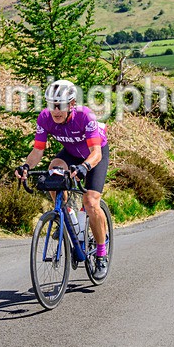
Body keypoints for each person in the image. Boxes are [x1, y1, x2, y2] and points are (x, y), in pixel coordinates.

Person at [14, 79, 110, 279]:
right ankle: (66, 215)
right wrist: (26, 166)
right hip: (70, 153)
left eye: (61, 106)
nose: (55, 110)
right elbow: (38, 150)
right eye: (52, 105)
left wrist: (85, 167)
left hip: (93, 156)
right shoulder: (45, 118)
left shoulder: (85, 116)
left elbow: (96, 153)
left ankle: (101, 254)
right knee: (53, 173)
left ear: (72, 104)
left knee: (91, 202)